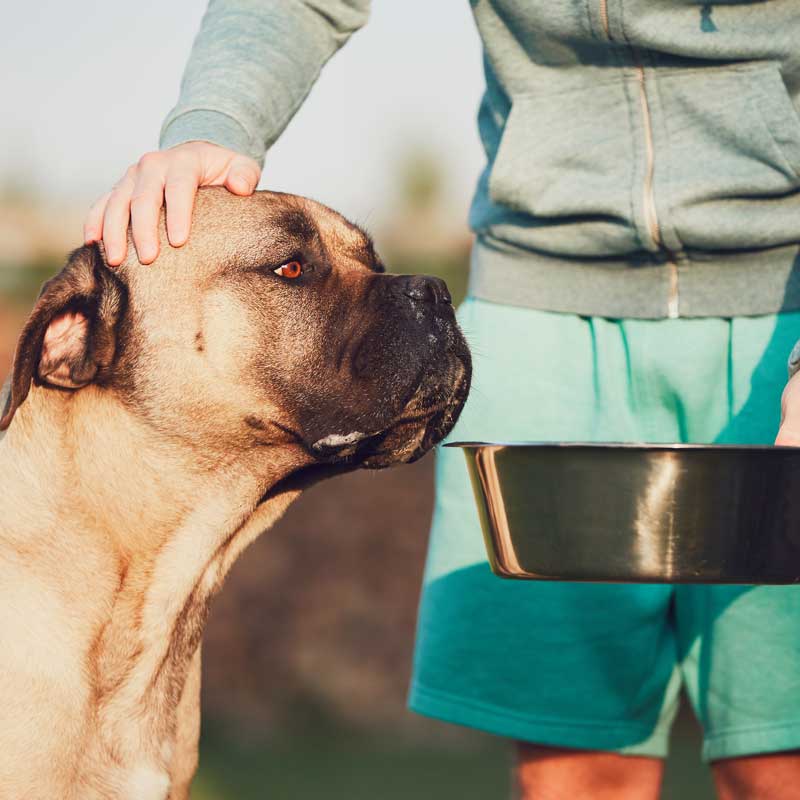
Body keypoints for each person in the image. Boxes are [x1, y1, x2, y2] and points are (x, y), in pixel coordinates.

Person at [86, 2, 800, 797]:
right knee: (576, 767)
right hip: (545, 291)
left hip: (784, 299)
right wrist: (213, 120)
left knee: (779, 759)